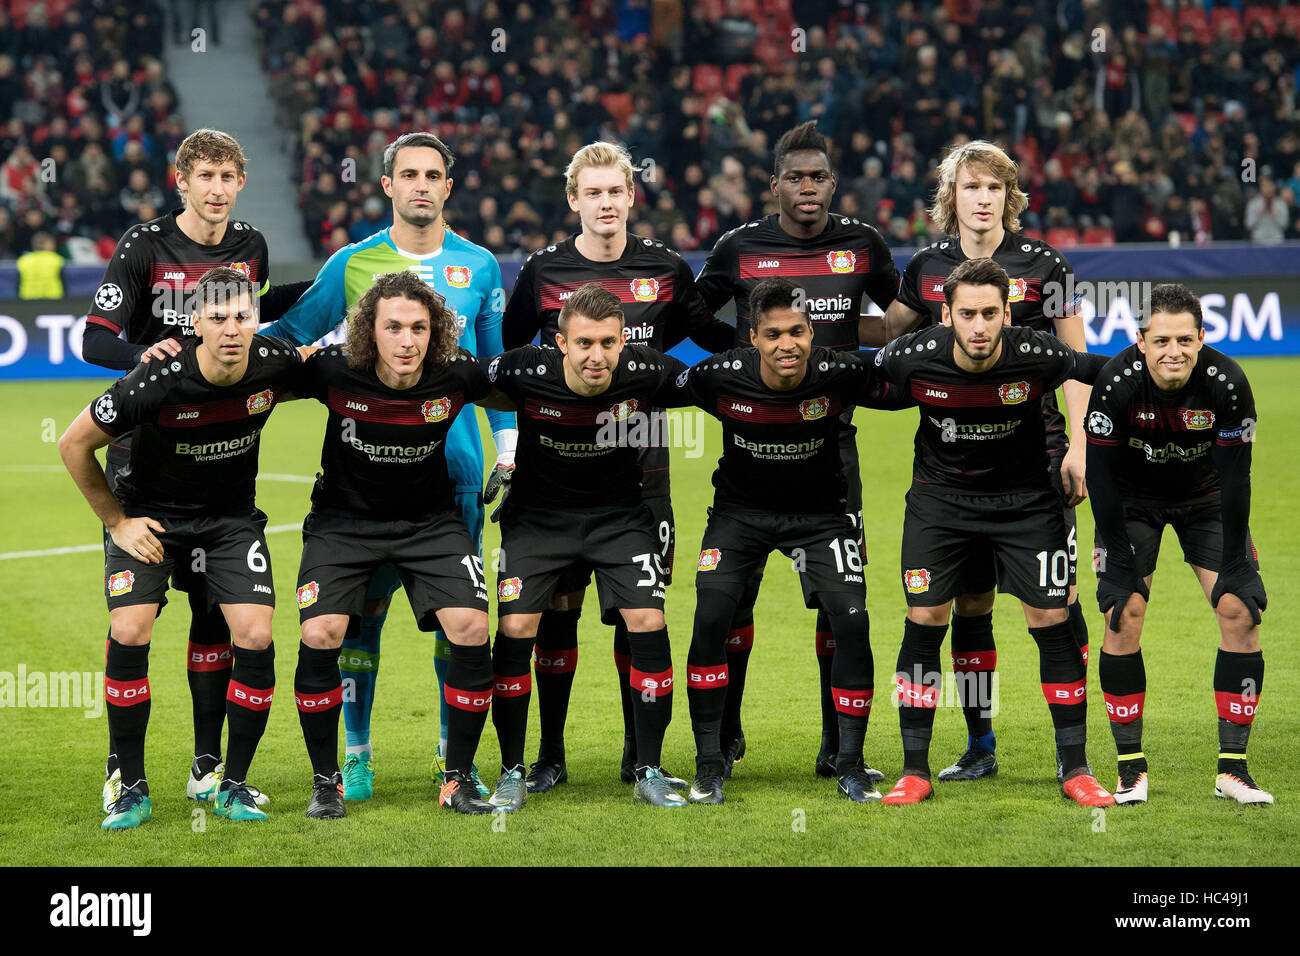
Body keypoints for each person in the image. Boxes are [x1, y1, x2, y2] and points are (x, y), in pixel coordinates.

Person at [259, 131, 516, 801]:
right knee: (359, 621)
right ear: (388, 185)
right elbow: (288, 336)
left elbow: (492, 371)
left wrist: (509, 450)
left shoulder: (480, 266)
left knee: (457, 617)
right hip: (364, 482)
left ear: (448, 187)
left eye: (434, 174)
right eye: (410, 174)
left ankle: (447, 756)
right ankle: (356, 753)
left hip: (455, 477)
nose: (422, 185)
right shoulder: (351, 263)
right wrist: (219, 351)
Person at [81, 128, 309, 814]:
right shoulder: (143, 244)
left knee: (218, 622)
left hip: (221, 470)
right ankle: (126, 776)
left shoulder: (251, 247)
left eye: (226, 176)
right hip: (144, 458)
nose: (214, 189)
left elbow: (253, 313)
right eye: (202, 175)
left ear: (240, 183)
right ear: (180, 179)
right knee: (136, 623)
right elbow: (95, 338)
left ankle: (209, 768)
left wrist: (330, 288)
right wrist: (152, 367)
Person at [499, 140, 732, 793]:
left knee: (640, 611)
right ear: (574, 199)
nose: (606, 203)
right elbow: (511, 359)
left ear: (632, 195)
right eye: (592, 192)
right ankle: (547, 755)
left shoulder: (663, 267)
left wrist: (768, 350)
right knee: (556, 612)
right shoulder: (543, 272)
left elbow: (708, 336)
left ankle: (640, 754)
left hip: (643, 470)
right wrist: (508, 444)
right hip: (556, 470)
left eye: (616, 191)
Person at [879, 140, 1092, 783]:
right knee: (969, 606)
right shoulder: (924, 267)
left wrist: (1079, 445)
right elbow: (891, 337)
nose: (983, 199)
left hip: (1035, 459)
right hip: (948, 465)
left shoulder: (1044, 264)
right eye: (971, 188)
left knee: (1054, 605)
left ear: (1009, 197)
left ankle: (1078, 747)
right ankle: (980, 744)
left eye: (994, 188)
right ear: (953, 197)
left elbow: (1076, 364)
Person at [694, 120, 900, 780]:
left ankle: (837, 747)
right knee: (733, 601)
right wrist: (745, 356)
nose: (807, 188)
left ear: (832, 185)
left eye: (818, 178)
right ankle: (723, 734)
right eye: (795, 177)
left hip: (833, 449)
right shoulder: (739, 246)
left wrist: (854, 353)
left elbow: (902, 316)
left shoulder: (861, 245)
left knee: (840, 606)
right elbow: (693, 318)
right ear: (774, 184)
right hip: (752, 439)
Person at [665, 277, 908, 805]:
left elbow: (913, 383)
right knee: (710, 617)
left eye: (797, 331)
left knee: (853, 619)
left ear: (812, 331)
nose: (786, 344)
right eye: (772, 334)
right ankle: (710, 762)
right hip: (739, 517)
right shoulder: (717, 376)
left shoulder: (843, 373)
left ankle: (848, 763)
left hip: (820, 518)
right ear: (752, 338)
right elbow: (648, 386)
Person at [287, 271, 496, 817]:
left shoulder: (457, 375)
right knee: (323, 629)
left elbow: (528, 388)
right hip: (343, 522)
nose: (408, 340)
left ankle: (457, 777)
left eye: (420, 328)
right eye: (394, 327)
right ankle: (326, 781)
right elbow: (251, 380)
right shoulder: (334, 371)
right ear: (369, 333)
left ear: (437, 332)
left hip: (430, 523)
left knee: (472, 625)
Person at [481, 282, 690, 809]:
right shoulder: (522, 369)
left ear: (623, 341)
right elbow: (455, 381)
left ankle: (648, 767)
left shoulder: (648, 370)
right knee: (516, 626)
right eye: (584, 344)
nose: (596, 357)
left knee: (648, 620)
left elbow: (722, 389)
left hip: (619, 520)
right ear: (560, 342)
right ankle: (514, 768)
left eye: (607, 343)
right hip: (537, 522)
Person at [1085, 283, 1270, 805]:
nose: (1174, 351)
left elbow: (1238, 477)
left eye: (1185, 340)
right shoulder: (1116, 380)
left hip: (1206, 498)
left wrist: (1236, 559)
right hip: (1131, 501)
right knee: (1124, 615)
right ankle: (1130, 770)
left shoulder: (1228, 382)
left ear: (1202, 337)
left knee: (1241, 612)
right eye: (1161, 340)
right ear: (1140, 340)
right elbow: (1099, 477)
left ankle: (1233, 770)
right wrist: (1118, 560)